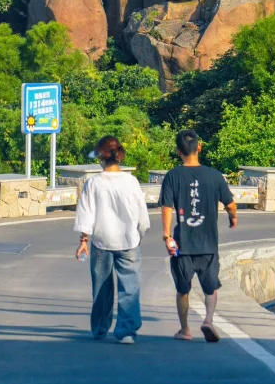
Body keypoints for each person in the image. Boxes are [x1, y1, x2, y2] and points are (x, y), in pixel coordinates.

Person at [159, 129, 237, 342]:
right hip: (208, 244)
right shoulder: (214, 176)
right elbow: (230, 204)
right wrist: (233, 218)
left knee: (183, 289)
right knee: (210, 287)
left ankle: (185, 330)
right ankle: (208, 320)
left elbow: (167, 208)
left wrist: (167, 236)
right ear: (199, 147)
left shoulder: (173, 176)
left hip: (182, 244)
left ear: (178, 151)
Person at [74, 136, 151, 343]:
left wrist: (83, 240)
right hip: (129, 241)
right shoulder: (131, 182)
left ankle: (100, 329)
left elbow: (86, 214)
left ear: (101, 157)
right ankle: (126, 331)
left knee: (101, 289)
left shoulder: (94, 183)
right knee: (130, 288)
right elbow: (142, 215)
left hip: (101, 241)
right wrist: (139, 234)